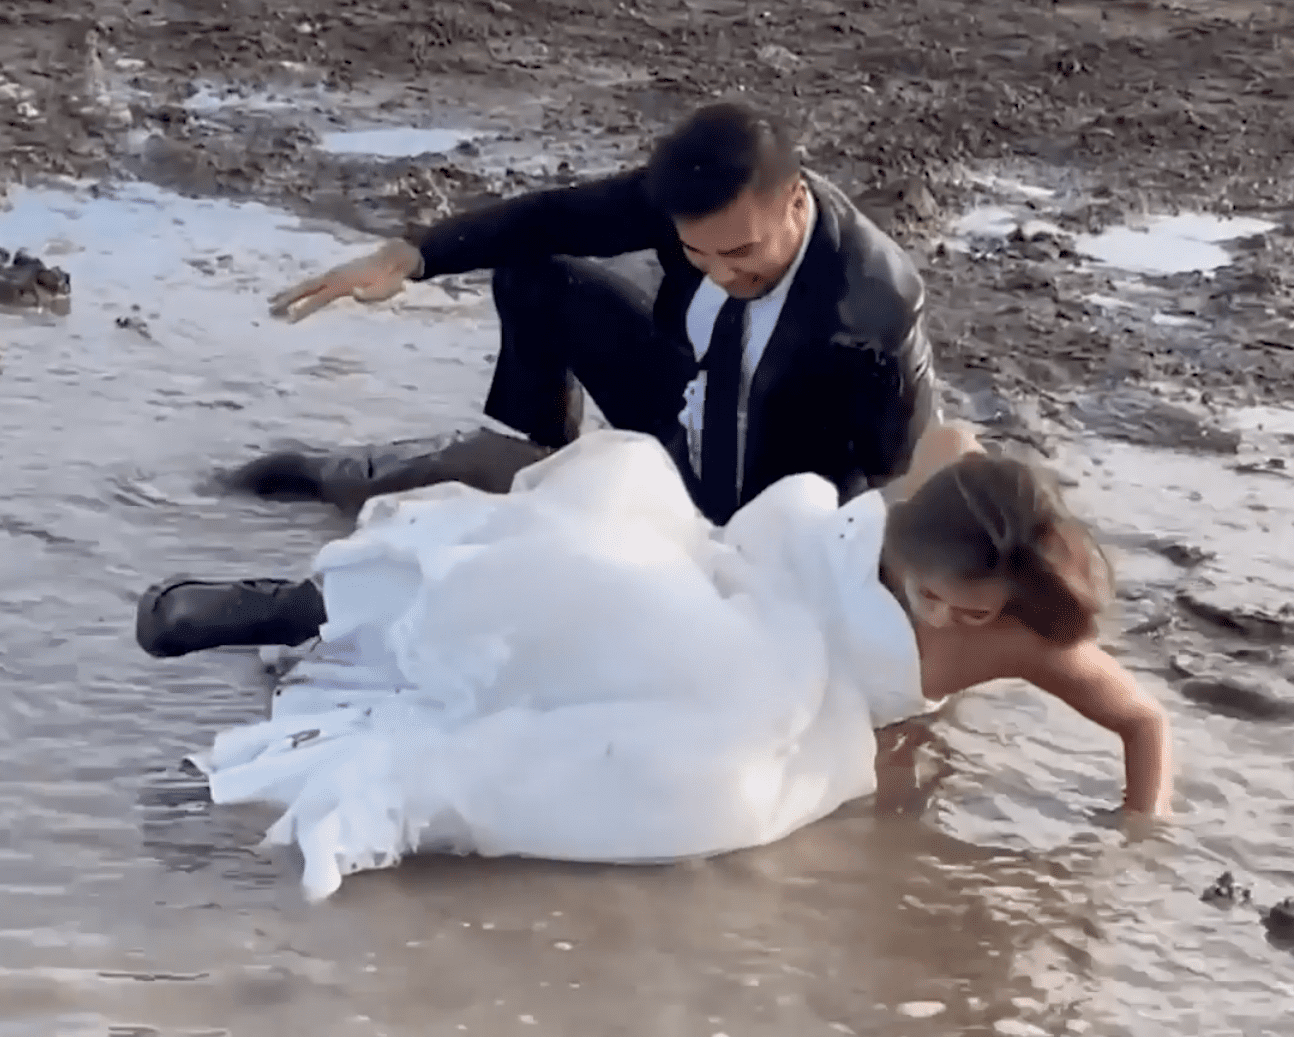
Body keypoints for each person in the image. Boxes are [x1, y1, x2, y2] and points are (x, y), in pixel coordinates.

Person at [171, 421, 1172, 903]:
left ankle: (343, 632)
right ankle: (306, 608)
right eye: (930, 594)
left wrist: (1134, 840)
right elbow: (951, 435)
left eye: (973, 608)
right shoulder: (943, 489)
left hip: (778, 678)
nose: (952, 616)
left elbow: (1141, 722)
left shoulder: (1034, 636)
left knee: (631, 676)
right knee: (605, 579)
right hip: (743, 593)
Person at [144, 100, 937, 656]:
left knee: (516, 572)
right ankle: (525, 458)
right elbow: (558, 217)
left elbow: (891, 473)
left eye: (743, 255)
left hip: (756, 505)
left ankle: (303, 606)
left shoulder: (869, 305)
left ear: (795, 204)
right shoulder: (694, 209)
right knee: (537, 272)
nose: (723, 273)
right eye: (700, 255)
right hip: (681, 409)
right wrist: (415, 254)